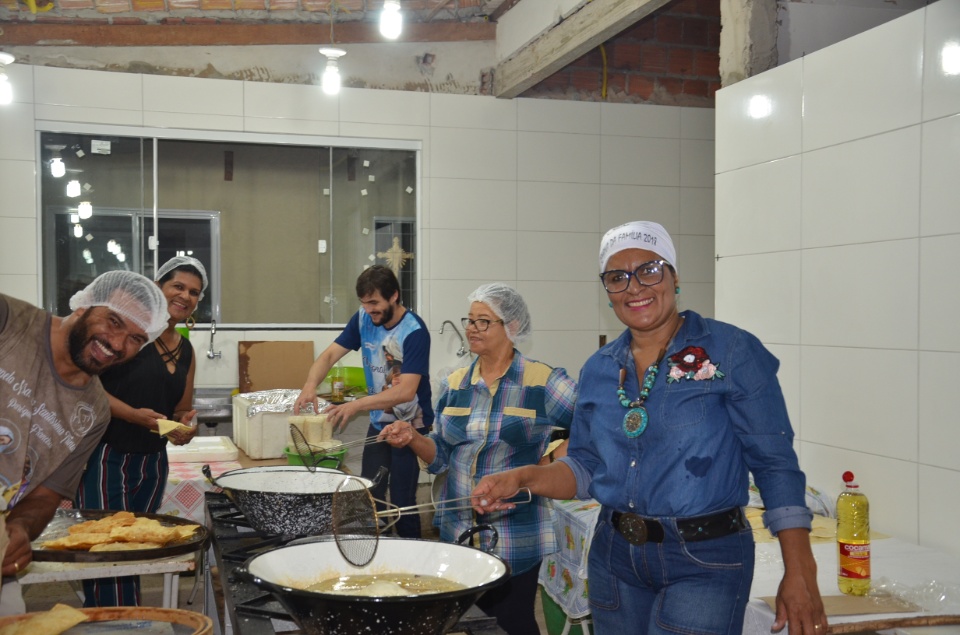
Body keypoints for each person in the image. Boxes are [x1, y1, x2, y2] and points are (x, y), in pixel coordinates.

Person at [472, 222, 828, 635]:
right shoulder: (600, 368)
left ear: (675, 277)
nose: (634, 287)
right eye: (617, 277)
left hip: (705, 560)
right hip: (615, 557)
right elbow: (584, 467)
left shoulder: (731, 350)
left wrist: (800, 569)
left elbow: (775, 464)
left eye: (650, 269)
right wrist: (522, 478)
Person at [379, 283, 576, 635]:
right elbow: (440, 456)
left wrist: (555, 461)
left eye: (483, 321)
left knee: (512, 624)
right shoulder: (457, 384)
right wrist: (413, 438)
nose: (471, 328)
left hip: (514, 535)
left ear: (511, 327)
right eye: (469, 320)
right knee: (468, 624)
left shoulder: (541, 381)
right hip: (458, 532)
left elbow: (597, 425)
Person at [0, 271, 168, 615]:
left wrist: (19, 528)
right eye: (113, 321)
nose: (118, 344)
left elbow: (46, 496)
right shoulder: (10, 322)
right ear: (83, 306)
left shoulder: (94, 411)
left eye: (136, 338)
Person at [74, 256, 206, 607]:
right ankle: (117, 624)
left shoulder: (186, 349)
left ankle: (125, 620)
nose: (186, 296)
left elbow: (180, 406)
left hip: (152, 461)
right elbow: (87, 385)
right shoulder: (130, 333)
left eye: (194, 292)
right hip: (104, 455)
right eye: (178, 286)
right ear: (158, 286)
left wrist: (185, 426)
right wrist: (134, 415)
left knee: (135, 546)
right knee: (105, 547)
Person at [294, 265, 433, 539]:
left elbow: (405, 391)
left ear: (394, 296)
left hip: (410, 427)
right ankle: (373, 555)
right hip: (380, 422)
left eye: (374, 303)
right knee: (371, 492)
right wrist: (309, 386)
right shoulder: (364, 319)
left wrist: (356, 405)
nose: (369, 310)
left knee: (403, 500)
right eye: (364, 303)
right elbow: (329, 356)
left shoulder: (414, 332)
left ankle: (411, 560)